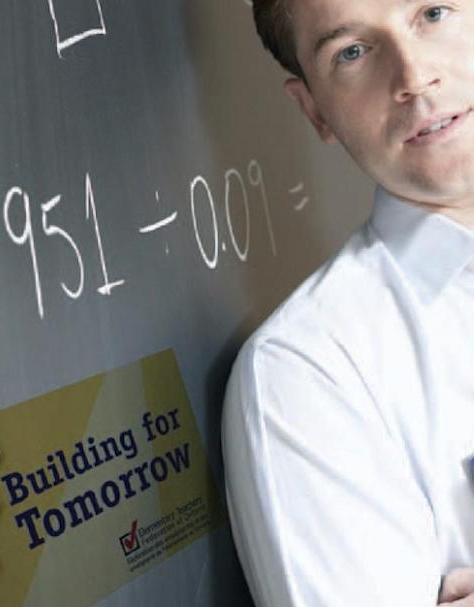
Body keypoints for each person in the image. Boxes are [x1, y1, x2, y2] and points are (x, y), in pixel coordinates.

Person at [221, 1, 474, 605]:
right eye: (352, 53)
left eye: (433, 13)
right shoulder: (305, 373)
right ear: (315, 110)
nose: (414, 78)